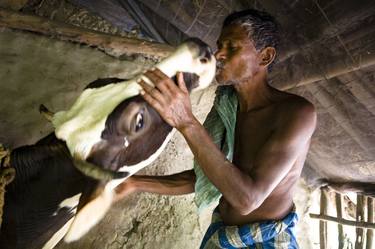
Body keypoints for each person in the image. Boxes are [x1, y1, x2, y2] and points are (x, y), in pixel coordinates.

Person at [114, 9, 316, 248]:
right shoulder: (228, 106)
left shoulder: (296, 113)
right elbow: (207, 178)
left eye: (232, 47)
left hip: (266, 241)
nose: (218, 54)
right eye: (219, 45)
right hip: (222, 237)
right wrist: (133, 182)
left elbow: (247, 199)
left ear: (265, 57)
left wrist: (187, 122)